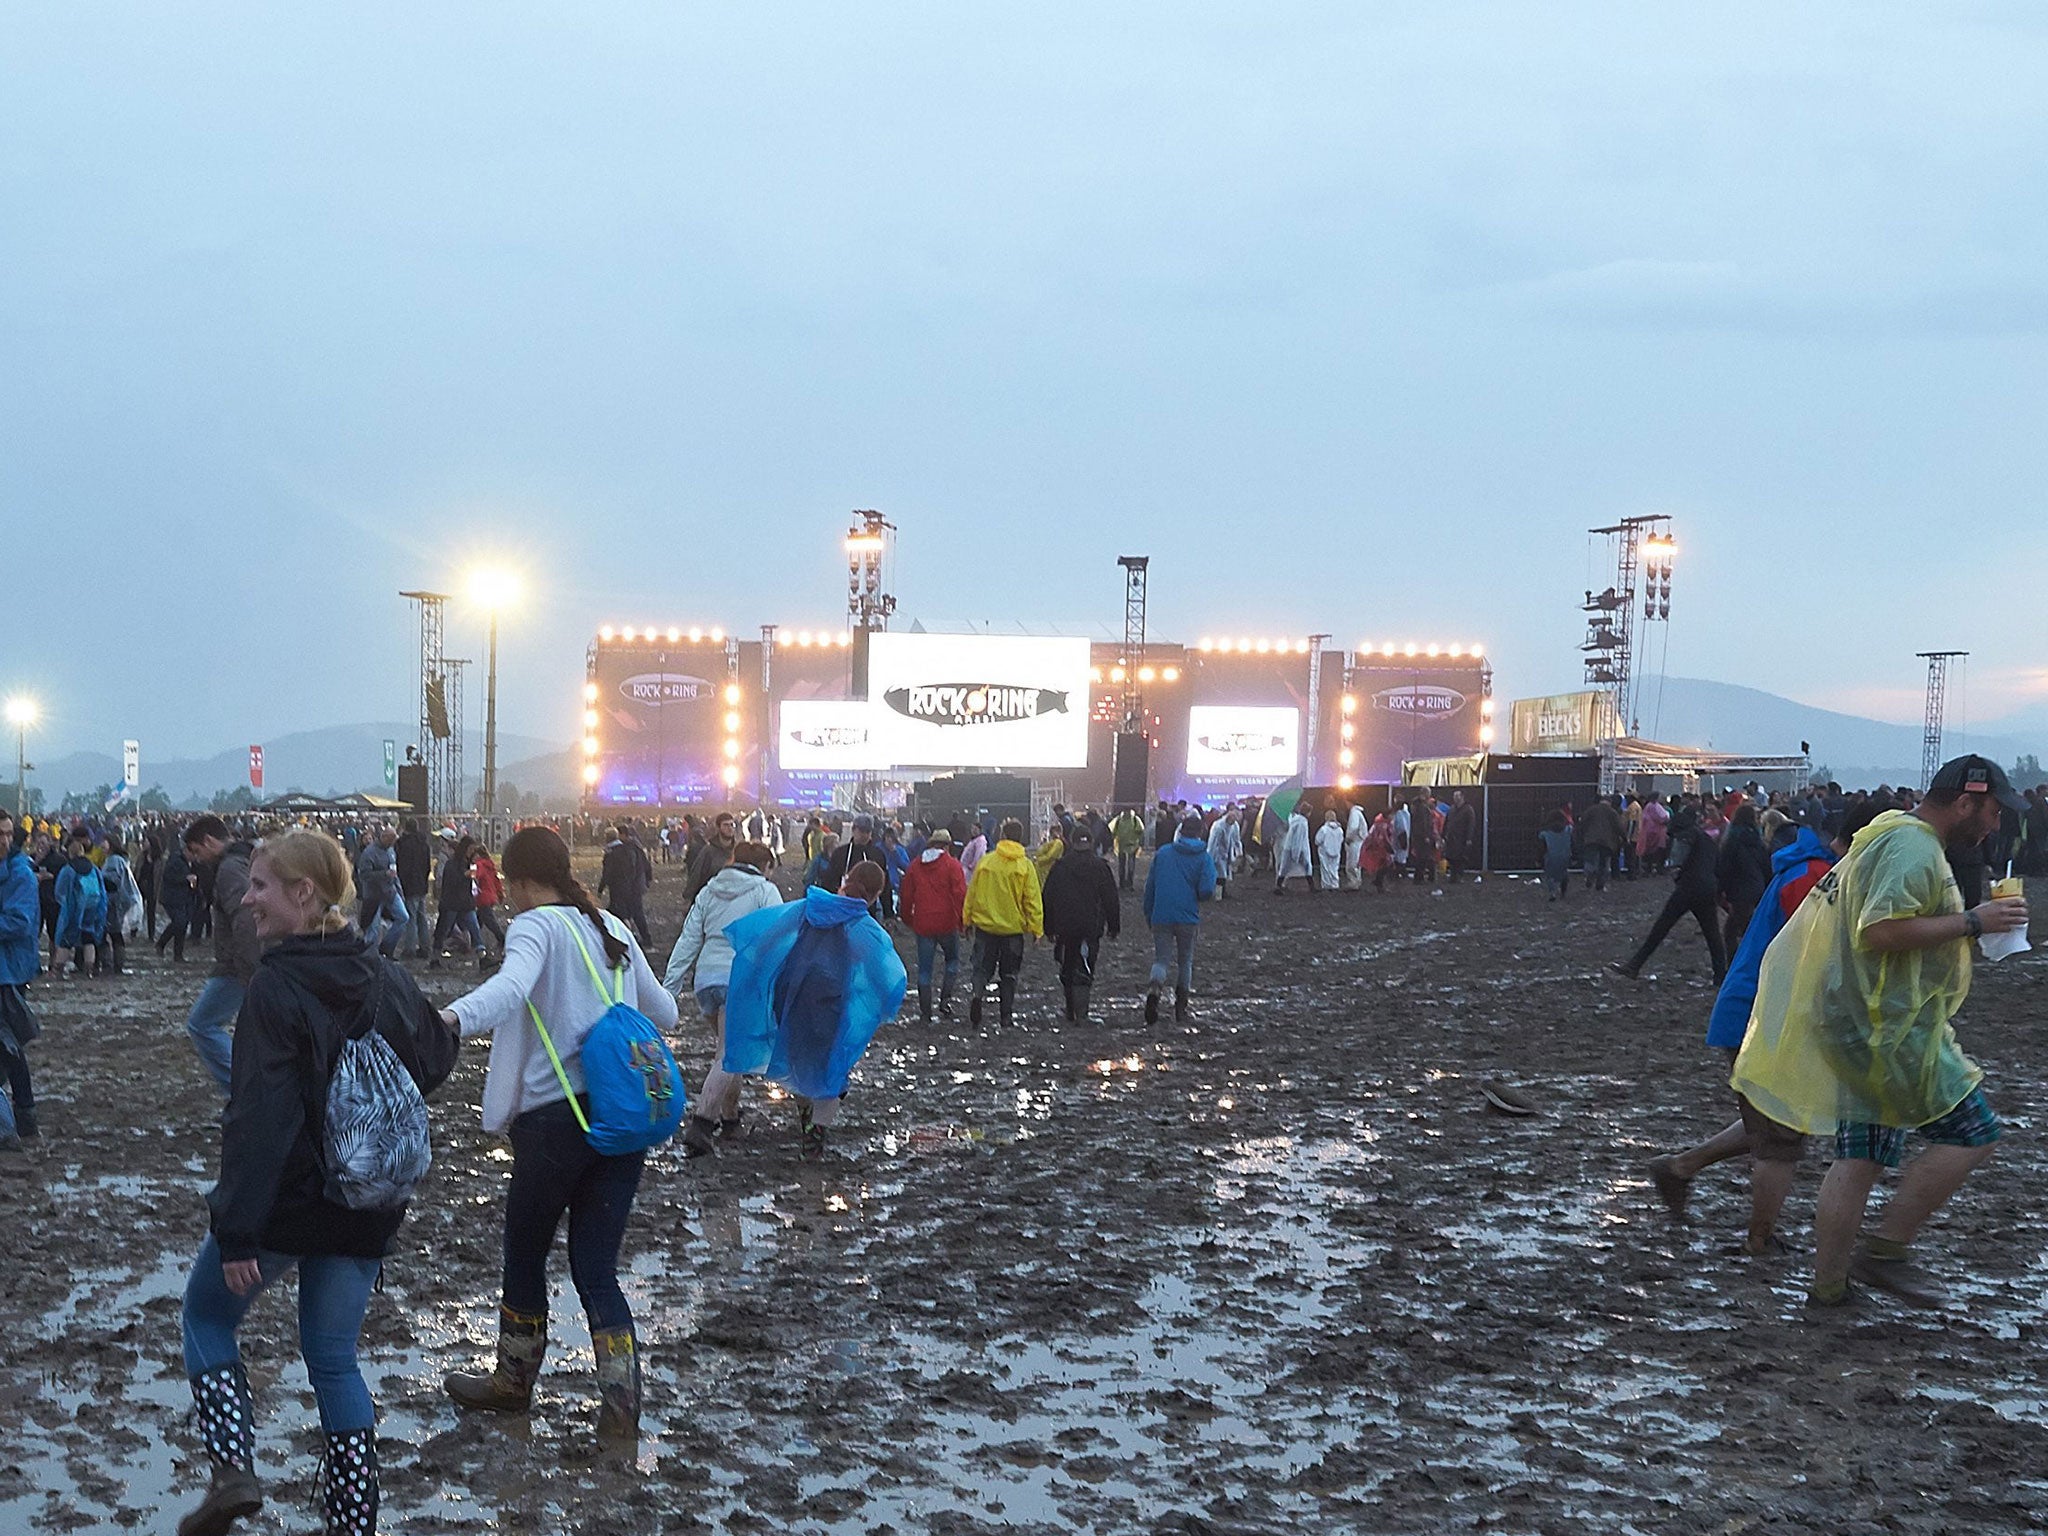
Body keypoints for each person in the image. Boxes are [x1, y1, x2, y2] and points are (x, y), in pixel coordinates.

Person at [176, 829, 454, 1536]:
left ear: (304, 895)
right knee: (333, 1359)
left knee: (206, 1318)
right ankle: (352, 1522)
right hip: (368, 1200)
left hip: (289, 1205)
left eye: (262, 885)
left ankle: (234, 1472)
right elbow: (433, 1060)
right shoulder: (382, 971)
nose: (246, 896)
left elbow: (259, 1118)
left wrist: (236, 1227)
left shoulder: (275, 984)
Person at [1732, 758, 2028, 1308]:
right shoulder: (1912, 846)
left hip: (1860, 1022)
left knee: (1860, 1157)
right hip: (1888, 1029)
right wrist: (1973, 922)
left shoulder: (1887, 834)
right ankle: (1886, 1250)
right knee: (1975, 1132)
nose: (1994, 824)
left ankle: (1828, 1290)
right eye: (1991, 811)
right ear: (1964, 802)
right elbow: (1882, 930)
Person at [440, 825, 678, 1439]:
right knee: (596, 1267)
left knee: (524, 1252)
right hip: (620, 1120)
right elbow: (666, 1013)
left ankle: (512, 1384)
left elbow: (510, 989)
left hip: (554, 1121)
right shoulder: (613, 928)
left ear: (517, 881)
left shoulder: (534, 925)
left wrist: (445, 1021)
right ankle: (622, 1407)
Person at [1644, 800, 1882, 1253]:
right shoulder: (1814, 878)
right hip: (1761, 1013)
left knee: (1774, 1121)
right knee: (1780, 1140)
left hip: (1755, 1010)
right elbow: (1813, 956)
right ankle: (1760, 1238)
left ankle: (1678, 1168)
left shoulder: (1814, 869)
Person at [716, 861, 907, 1159]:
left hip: (789, 996)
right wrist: (880, 1004)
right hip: (829, 1004)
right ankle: (816, 1135)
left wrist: (757, 977)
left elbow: (766, 939)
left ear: (846, 879)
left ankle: (807, 1122)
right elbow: (886, 975)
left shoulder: (810, 907)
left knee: (799, 1063)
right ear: (876, 894)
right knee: (832, 1070)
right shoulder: (862, 926)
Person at [665, 841, 782, 1156]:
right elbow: (776, 940)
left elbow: (689, 938)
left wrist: (670, 987)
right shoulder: (764, 891)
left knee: (730, 1053)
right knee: (729, 1055)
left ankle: (730, 1120)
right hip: (739, 977)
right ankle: (702, 1123)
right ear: (765, 866)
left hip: (706, 979)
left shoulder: (709, 890)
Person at [182, 816, 264, 1094]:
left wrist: (250, 971)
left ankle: (245, 1092)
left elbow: (245, 918)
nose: (196, 859)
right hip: (247, 962)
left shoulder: (229, 869)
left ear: (209, 841)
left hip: (238, 965)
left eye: (196, 850)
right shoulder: (245, 858)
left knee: (202, 1024)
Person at [1612, 806, 1728, 984]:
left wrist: (1674, 870)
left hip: (1688, 887)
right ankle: (1721, 975)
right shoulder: (1706, 839)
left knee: (1661, 927)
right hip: (1706, 888)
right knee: (1712, 934)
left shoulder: (1685, 835)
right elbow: (1718, 866)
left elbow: (1678, 859)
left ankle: (1634, 965)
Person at [962, 818, 1043, 1028]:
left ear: (1002, 836)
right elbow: (1032, 899)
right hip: (1013, 930)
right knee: (1009, 974)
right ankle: (1005, 1016)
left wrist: (967, 919)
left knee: (981, 968)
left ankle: (977, 995)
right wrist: (1037, 928)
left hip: (985, 928)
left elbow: (972, 893)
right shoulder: (1025, 866)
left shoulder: (986, 862)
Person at [1041, 826, 1120, 1024]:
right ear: (1091, 843)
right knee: (1086, 966)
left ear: (1072, 842)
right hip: (1090, 926)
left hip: (1065, 926)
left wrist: (1048, 927)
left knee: (1067, 965)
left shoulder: (1060, 867)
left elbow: (1048, 897)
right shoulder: (1101, 867)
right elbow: (1110, 898)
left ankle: (1070, 1010)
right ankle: (1082, 1012)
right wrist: (1113, 925)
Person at [1143, 815, 1217, 1023]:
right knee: (1186, 961)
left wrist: (1149, 912)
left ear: (1181, 831)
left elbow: (1150, 887)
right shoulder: (1204, 857)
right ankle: (1180, 1008)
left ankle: (1154, 993)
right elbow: (1206, 890)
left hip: (1161, 914)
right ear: (1200, 832)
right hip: (1187, 916)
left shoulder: (1163, 853)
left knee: (1161, 960)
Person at [0, 812, 41, 1156]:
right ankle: (24, 1118)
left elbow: (19, 923)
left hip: (8, 972)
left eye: (7, 834)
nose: (3, 840)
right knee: (9, 1048)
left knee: (9, 1047)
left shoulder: (20, 874)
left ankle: (18, 1122)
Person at [898, 828, 969, 1021]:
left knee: (924, 970)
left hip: (923, 923)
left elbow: (906, 896)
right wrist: (963, 922)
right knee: (952, 961)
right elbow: (960, 895)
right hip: (947, 922)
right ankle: (945, 1000)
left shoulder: (914, 866)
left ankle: (925, 1012)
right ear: (946, 846)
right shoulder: (952, 865)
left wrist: (907, 918)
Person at [1716, 803, 1773, 953]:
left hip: (1740, 890)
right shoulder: (1758, 839)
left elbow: (1725, 868)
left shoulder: (1732, 839)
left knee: (1738, 932)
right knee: (1737, 929)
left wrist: (1720, 890)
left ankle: (1742, 964)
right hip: (1757, 887)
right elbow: (1766, 866)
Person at [52, 831, 108, 979]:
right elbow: (102, 891)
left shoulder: (69, 869)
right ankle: (89, 969)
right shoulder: (94, 868)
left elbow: (59, 891)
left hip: (74, 908)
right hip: (92, 907)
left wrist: (64, 905)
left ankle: (57, 970)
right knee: (88, 938)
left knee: (66, 939)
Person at [821, 814, 896, 919]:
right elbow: (829, 881)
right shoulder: (840, 853)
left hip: (868, 911)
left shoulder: (877, 855)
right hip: (842, 907)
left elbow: (885, 885)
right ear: (853, 830)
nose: (864, 835)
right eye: (861, 831)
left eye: (868, 832)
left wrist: (889, 913)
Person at [429, 834, 482, 968]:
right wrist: (465, 876)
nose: (471, 853)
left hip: (464, 902)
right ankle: (435, 957)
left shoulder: (466, 863)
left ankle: (482, 955)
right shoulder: (452, 863)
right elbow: (450, 881)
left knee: (474, 929)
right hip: (452, 903)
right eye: (470, 850)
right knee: (443, 930)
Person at [353, 826, 407, 958]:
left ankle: (386, 948)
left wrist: (400, 892)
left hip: (390, 892)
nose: (393, 843)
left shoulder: (391, 850)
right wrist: (384, 874)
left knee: (403, 917)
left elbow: (395, 875)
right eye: (391, 840)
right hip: (374, 896)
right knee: (373, 928)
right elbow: (364, 875)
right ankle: (369, 956)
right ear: (384, 837)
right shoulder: (369, 853)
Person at [597, 823, 654, 946]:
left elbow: (609, 872)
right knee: (631, 912)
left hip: (625, 887)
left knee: (628, 913)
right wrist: (648, 879)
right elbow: (645, 864)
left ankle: (632, 938)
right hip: (634, 885)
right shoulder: (634, 848)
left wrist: (600, 889)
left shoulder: (617, 851)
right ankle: (638, 938)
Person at [393, 818, 433, 959]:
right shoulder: (424, 844)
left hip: (409, 885)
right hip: (421, 884)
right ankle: (425, 947)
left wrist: (401, 884)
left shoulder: (403, 845)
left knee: (411, 917)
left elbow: (402, 866)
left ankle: (409, 949)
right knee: (422, 917)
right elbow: (428, 866)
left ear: (405, 828)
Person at [158, 836, 197, 962]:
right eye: (193, 854)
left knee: (182, 924)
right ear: (187, 851)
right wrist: (185, 879)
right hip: (171, 898)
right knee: (179, 922)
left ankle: (177, 954)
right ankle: (162, 943)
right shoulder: (176, 860)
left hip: (182, 898)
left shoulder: (186, 861)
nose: (194, 857)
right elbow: (168, 876)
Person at [1577, 795, 1624, 892]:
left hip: (1591, 840)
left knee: (1590, 861)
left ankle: (1589, 878)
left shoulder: (1591, 810)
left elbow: (1582, 824)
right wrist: (1624, 838)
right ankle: (1600, 885)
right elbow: (1619, 827)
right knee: (1604, 864)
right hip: (1607, 842)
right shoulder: (1612, 812)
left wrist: (1582, 836)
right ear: (1609, 802)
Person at [1443, 790, 1482, 883]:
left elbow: (1471, 824)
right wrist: (1444, 835)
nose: (1455, 798)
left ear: (1462, 797)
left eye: (1457, 796)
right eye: (1454, 796)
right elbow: (1447, 822)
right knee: (1451, 857)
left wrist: (1469, 838)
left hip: (1462, 838)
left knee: (1460, 858)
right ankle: (1453, 876)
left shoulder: (1468, 809)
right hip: (1451, 838)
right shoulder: (1452, 809)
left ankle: (1459, 876)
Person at [1275, 806, 1312, 894]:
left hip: (1288, 847)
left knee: (1284, 868)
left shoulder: (1295, 820)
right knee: (1307, 866)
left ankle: (1278, 886)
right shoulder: (1301, 823)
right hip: (1300, 848)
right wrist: (1296, 854)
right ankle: (1311, 886)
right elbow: (1298, 838)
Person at [1205, 808, 1241, 900]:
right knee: (1220, 874)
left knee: (1223, 874)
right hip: (1217, 852)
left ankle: (1221, 893)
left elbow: (1237, 839)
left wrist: (1239, 852)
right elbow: (1212, 842)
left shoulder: (1234, 825)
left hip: (1226, 851)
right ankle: (1218, 895)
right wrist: (1210, 857)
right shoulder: (1218, 826)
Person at [1109, 806, 1147, 892]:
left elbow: (1111, 830)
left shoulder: (1118, 819)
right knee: (1130, 865)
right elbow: (1141, 830)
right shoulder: (1135, 819)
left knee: (1123, 865)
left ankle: (1122, 883)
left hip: (1122, 846)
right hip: (1131, 846)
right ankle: (1128, 884)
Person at [1537, 812, 1573, 900]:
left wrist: (1538, 860)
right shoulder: (1568, 830)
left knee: (1550, 876)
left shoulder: (1544, 833)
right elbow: (1573, 844)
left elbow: (1541, 849)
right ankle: (1563, 892)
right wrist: (1575, 856)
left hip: (1550, 856)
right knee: (1564, 873)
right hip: (1565, 856)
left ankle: (1552, 892)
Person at [1313, 811, 1344, 892]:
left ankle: (1326, 885)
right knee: (1334, 868)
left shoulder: (1324, 829)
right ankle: (1335, 884)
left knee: (1325, 869)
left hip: (1324, 852)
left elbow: (1317, 840)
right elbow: (1341, 840)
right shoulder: (1340, 830)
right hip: (1336, 851)